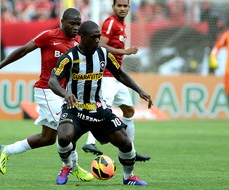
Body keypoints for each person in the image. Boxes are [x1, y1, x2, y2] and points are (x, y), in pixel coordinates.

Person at [0, 8, 93, 182]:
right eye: (72, 23)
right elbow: (23, 50)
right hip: (46, 91)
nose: (75, 27)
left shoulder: (79, 42)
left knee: (47, 138)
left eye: (78, 24)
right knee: (67, 129)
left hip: (63, 93)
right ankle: (72, 167)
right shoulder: (49, 36)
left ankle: (6, 150)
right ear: (62, 21)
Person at [48, 20, 153, 186]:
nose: (98, 40)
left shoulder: (103, 53)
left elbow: (119, 74)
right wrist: (65, 93)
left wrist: (139, 90)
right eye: (94, 37)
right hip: (75, 109)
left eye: (99, 37)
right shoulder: (69, 57)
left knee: (125, 142)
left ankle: (129, 177)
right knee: (63, 136)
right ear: (82, 38)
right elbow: (52, 81)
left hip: (99, 110)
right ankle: (67, 166)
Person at [81, 0, 151, 162]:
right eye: (119, 6)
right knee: (101, 110)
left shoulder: (121, 24)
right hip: (106, 76)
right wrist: (124, 51)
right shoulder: (111, 22)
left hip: (116, 77)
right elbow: (101, 46)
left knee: (129, 111)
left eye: (125, 6)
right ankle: (90, 142)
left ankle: (130, 150)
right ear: (113, 7)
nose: (122, 8)